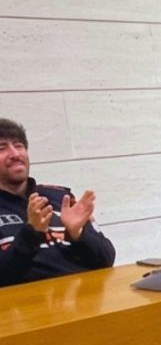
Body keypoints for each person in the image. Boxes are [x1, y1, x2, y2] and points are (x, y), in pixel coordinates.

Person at [0, 118, 115, 287]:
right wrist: (31, 233)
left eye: (19, 146)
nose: (15, 154)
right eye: (2, 148)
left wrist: (78, 235)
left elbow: (106, 260)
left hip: (87, 303)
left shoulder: (61, 197)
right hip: (31, 309)